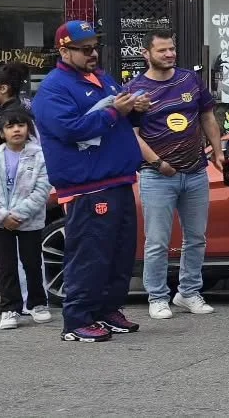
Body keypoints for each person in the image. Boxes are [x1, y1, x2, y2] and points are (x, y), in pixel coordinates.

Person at [33, 20, 150, 343]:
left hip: (118, 178)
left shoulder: (102, 78)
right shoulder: (54, 88)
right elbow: (68, 129)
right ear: (64, 50)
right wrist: (115, 113)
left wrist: (135, 110)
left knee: (119, 252)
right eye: (84, 49)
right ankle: (77, 318)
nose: (92, 53)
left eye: (94, 47)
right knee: (90, 253)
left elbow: (120, 116)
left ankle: (108, 310)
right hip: (87, 184)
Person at [126, 31, 223, 320]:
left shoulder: (189, 80)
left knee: (196, 237)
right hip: (157, 176)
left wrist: (217, 152)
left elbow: (207, 116)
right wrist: (158, 163)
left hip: (195, 172)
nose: (169, 54)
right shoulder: (135, 90)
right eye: (162, 50)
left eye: (172, 49)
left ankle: (188, 292)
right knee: (157, 240)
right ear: (147, 54)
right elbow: (132, 135)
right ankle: (157, 296)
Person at [0, 110, 52, 330]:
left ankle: (38, 303)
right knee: (6, 265)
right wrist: (2, 215)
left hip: (29, 219)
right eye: (10, 126)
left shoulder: (39, 155)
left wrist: (19, 214)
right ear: (2, 132)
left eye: (20, 125)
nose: (16, 130)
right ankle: (10, 308)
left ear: (28, 129)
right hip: (0, 221)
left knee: (32, 262)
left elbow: (42, 189)